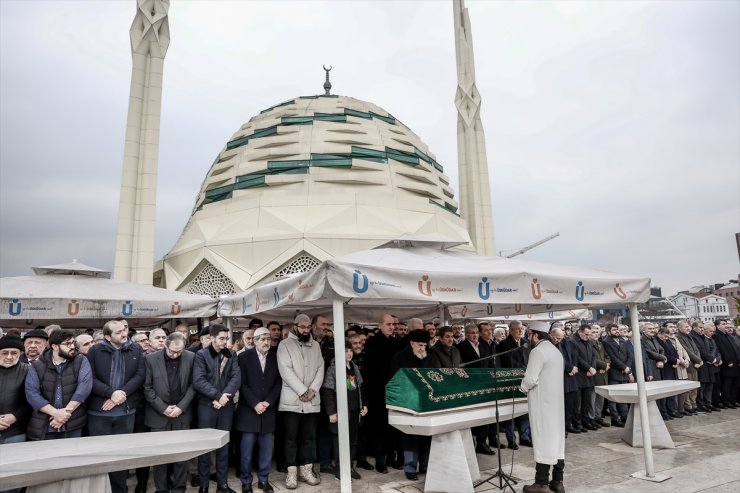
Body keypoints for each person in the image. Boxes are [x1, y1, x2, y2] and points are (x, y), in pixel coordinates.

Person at [86, 320, 145, 493]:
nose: (124, 333)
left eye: (125, 330)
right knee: (99, 456)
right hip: (99, 413)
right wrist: (109, 393)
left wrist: (120, 394)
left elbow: (140, 375)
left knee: (122, 456)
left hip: (126, 411)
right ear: (107, 336)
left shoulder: (136, 349)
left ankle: (120, 489)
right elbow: (90, 377)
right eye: (118, 332)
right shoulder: (95, 351)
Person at [143, 332, 196, 493]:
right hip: (158, 414)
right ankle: (162, 489)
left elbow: (193, 385)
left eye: (179, 351)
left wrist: (181, 407)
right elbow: (147, 387)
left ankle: (179, 488)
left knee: (181, 456)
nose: (175, 355)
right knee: (160, 457)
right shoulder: (150, 359)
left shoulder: (191, 357)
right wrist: (163, 408)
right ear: (165, 345)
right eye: (172, 351)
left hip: (182, 413)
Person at [276, 314, 324, 489]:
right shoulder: (285, 344)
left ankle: (306, 470)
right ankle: (291, 472)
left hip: (311, 400)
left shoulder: (316, 346)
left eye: (308, 327)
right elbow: (285, 370)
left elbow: (320, 368)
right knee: (290, 438)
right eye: (302, 327)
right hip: (292, 399)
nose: (305, 330)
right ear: (295, 327)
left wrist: (312, 390)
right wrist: (302, 390)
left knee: (308, 437)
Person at [193, 324, 240, 493]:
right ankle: (204, 486)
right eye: (221, 338)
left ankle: (223, 484)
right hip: (206, 406)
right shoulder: (201, 355)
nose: (225, 341)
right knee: (205, 447)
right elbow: (198, 381)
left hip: (225, 406)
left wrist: (224, 396)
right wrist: (217, 396)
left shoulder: (232, 354)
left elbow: (236, 377)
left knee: (224, 447)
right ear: (211, 338)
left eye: (226, 338)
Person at [520, 322, 565, 493]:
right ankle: (558, 481)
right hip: (556, 404)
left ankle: (541, 484)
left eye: (529, 334)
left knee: (544, 441)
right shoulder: (555, 350)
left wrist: (522, 388)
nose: (528, 338)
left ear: (535, 334)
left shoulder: (538, 351)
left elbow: (530, 379)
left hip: (543, 404)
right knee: (557, 441)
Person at [235, 327, 281, 493]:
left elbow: (278, 383)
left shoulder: (276, 358)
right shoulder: (244, 357)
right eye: (262, 339)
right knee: (246, 451)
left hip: (268, 411)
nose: (266, 342)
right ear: (254, 341)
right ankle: (246, 481)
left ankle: (263, 480)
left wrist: (267, 402)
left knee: (267, 451)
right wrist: (255, 403)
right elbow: (242, 383)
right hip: (249, 411)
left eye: (268, 339)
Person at [389, 329, 439, 481]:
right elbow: (394, 379)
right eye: (419, 345)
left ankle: (425, 466)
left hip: (426, 402)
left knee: (425, 435)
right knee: (410, 436)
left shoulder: (430, 357)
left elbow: (435, 376)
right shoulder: (399, 357)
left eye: (424, 345)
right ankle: (409, 468)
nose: (422, 348)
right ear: (411, 343)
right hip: (407, 403)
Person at [321, 340, 368, 481]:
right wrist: (331, 412)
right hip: (340, 412)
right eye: (345, 351)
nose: (349, 354)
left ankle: (349, 467)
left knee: (353, 441)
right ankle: (340, 470)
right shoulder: (333, 369)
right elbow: (327, 391)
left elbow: (361, 387)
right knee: (339, 441)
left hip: (354, 410)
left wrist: (364, 404)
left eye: (350, 351)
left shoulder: (354, 367)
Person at [362, 313, 401, 473]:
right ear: (380, 325)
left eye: (393, 324)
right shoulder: (372, 342)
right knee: (379, 428)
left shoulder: (396, 342)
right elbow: (370, 370)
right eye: (388, 324)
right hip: (377, 392)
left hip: (394, 390)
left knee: (392, 425)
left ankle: (391, 457)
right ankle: (380, 460)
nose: (391, 327)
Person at [601, 323, 634, 426]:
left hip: (624, 372)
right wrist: (623, 367)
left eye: (617, 329)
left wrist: (627, 367)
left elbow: (630, 355)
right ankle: (615, 418)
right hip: (614, 372)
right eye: (614, 330)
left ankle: (624, 417)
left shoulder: (623, 341)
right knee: (613, 397)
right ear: (608, 331)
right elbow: (612, 357)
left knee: (623, 395)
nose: (617, 331)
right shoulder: (606, 342)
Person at [0, 335, 30, 445]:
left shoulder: (28, 371)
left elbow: (32, 399)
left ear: (20, 353)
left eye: (14, 353)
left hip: (16, 432)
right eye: (4, 352)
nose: (9, 357)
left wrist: (15, 416)